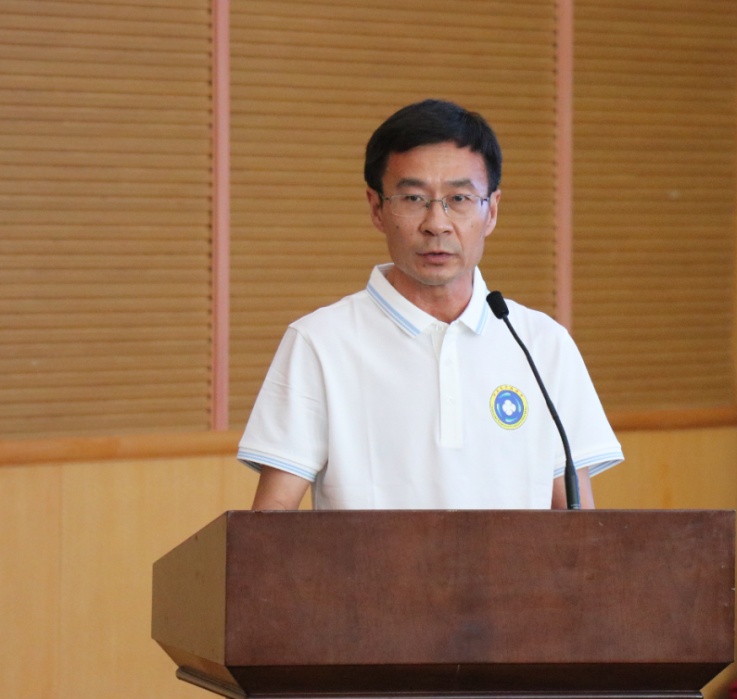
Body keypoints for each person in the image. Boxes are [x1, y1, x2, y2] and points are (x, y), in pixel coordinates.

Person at [238, 99, 623, 510]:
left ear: (491, 211)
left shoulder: (541, 344)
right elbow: (272, 519)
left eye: (459, 198)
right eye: (413, 198)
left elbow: (578, 524)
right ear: (377, 208)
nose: (436, 224)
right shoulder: (319, 342)